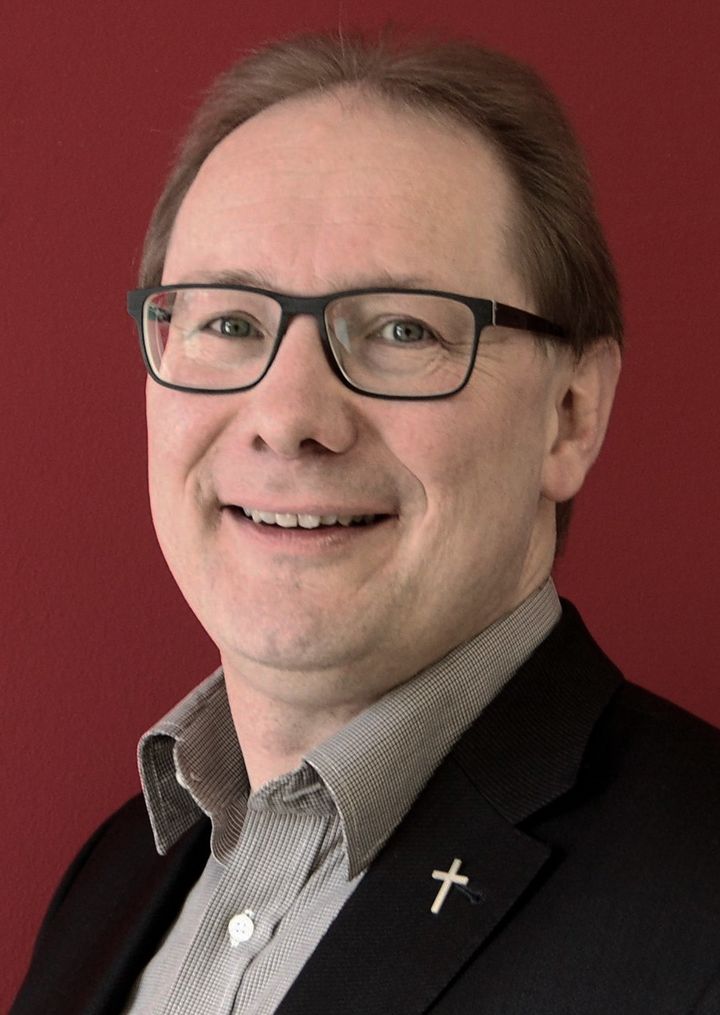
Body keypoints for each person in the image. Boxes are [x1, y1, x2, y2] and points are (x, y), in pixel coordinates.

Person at [12, 31, 720, 1015]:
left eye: (400, 329)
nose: (289, 416)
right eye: (229, 322)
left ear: (570, 415)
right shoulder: (114, 878)